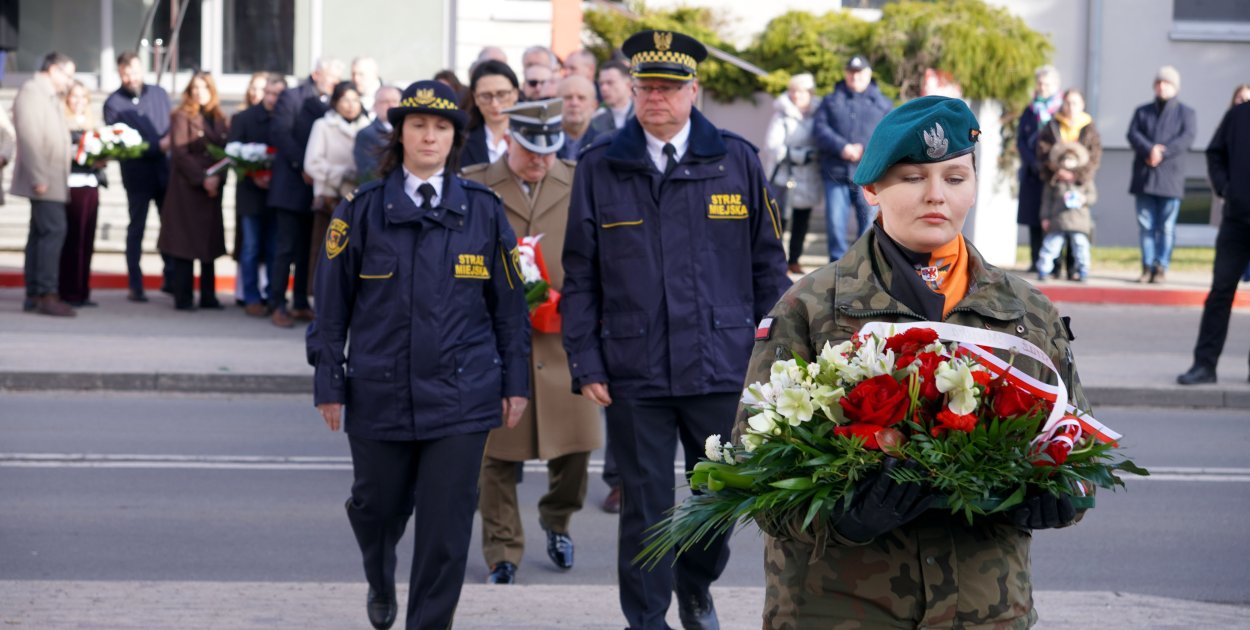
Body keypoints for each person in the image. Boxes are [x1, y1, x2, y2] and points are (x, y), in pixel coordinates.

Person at [738, 95, 1089, 629]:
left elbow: (1080, 447)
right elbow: (750, 467)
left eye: (954, 177)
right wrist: (839, 517)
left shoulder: (1026, 312)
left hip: (984, 613)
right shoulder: (809, 307)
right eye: (910, 177)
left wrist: (1063, 494)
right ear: (871, 188)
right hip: (841, 610)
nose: (935, 196)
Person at [561, 29, 790, 630]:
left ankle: (694, 584)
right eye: (645, 87)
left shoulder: (735, 158)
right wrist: (586, 361)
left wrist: (781, 356)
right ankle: (646, 620)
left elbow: (768, 264)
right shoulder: (600, 165)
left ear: (694, 90)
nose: (655, 98)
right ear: (632, 91)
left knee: (718, 499)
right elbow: (581, 274)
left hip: (722, 363)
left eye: (668, 87)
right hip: (634, 367)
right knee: (643, 508)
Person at [306, 79, 529, 630]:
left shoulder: (483, 210)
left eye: (442, 126)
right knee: (375, 508)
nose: (430, 136)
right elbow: (331, 308)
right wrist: (329, 381)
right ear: (400, 133)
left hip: (462, 395)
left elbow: (509, 307)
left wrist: (515, 380)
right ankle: (380, 574)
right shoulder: (359, 211)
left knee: (446, 530)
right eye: (419, 125)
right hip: (380, 391)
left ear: (455, 137)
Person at [463, 98, 602, 586]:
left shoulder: (580, 179)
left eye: (549, 151)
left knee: (578, 450)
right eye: (529, 151)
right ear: (510, 142)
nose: (540, 160)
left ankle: (557, 517)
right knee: (494, 455)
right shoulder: (476, 183)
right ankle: (503, 551)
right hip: (495, 341)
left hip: (566, 339)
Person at [1176, 96, 1250, 385]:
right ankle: (1204, 366)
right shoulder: (1239, 115)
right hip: (1236, 220)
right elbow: (1214, 153)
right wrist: (1226, 188)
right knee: (1220, 293)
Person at [268, 57, 343, 328]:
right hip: (291, 183)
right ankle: (277, 303)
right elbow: (281, 133)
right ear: (316, 74)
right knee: (285, 248)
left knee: (306, 250)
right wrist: (304, 164)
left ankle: (300, 302)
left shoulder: (333, 103)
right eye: (331, 76)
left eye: (338, 78)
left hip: (317, 188)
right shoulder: (293, 97)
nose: (335, 82)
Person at [157, 71, 229, 311]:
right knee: (184, 245)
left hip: (211, 190)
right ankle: (183, 296)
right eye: (195, 88)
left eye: (204, 88)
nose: (199, 92)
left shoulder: (219, 118)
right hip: (188, 189)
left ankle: (209, 295)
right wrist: (203, 178)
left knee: (208, 244)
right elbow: (180, 153)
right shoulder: (181, 116)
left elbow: (225, 152)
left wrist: (217, 178)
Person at [104, 50, 172, 303]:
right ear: (120, 73)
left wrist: (166, 146)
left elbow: (170, 127)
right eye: (125, 73)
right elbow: (121, 144)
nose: (130, 77)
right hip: (137, 177)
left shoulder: (159, 94)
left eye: (134, 71)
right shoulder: (113, 104)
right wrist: (157, 146)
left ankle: (172, 277)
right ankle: (136, 285)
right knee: (137, 230)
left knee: (170, 227)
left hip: (165, 174)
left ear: (142, 70)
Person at [13, 51, 76, 317]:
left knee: (41, 234)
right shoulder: (32, 92)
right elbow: (28, 137)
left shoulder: (47, 95)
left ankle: (35, 293)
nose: (69, 82)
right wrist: (39, 176)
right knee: (53, 232)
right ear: (53, 70)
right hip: (45, 179)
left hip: (52, 178)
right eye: (68, 75)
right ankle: (47, 293)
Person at [812, 55, 893, 261]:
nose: (854, 76)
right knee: (835, 225)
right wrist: (842, 147)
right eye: (851, 72)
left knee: (869, 227)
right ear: (846, 74)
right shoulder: (830, 101)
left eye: (859, 72)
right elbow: (819, 130)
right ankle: (836, 269)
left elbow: (889, 135)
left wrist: (864, 149)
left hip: (869, 176)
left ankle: (863, 268)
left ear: (868, 74)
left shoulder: (883, 104)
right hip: (835, 173)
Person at [1127, 65, 1196, 285]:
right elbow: (1133, 134)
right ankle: (1147, 266)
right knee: (1146, 225)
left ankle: (1161, 266)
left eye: (1166, 83)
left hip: (1170, 178)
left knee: (1166, 227)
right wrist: (1149, 149)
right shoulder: (1142, 111)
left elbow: (1186, 138)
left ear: (1175, 86)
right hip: (1145, 177)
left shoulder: (1186, 113)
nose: (1161, 86)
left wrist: (1162, 152)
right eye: (1158, 82)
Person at [230, 74, 285, 317]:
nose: (273, 99)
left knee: (274, 248)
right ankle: (251, 296)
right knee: (251, 247)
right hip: (251, 195)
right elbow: (233, 152)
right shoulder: (244, 118)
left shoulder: (287, 119)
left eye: (278, 94)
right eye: (269, 93)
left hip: (278, 195)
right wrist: (254, 174)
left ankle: (273, 296)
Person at [304, 80, 371, 282]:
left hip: (360, 200)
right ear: (335, 102)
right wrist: (340, 174)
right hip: (330, 199)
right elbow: (312, 163)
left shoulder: (368, 128)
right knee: (327, 253)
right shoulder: (323, 125)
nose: (350, 105)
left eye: (355, 100)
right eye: (345, 100)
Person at [1035, 88, 1102, 283]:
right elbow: (1044, 151)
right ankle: (1050, 269)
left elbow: (1094, 156)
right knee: (1054, 238)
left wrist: (1075, 175)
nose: (1071, 107)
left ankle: (1077, 270)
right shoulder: (1053, 126)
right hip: (1057, 182)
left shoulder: (1089, 128)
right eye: (1068, 103)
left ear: (1082, 105)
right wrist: (1057, 170)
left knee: (1078, 239)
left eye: (1075, 103)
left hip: (1079, 182)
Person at [765, 73, 822, 274]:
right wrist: (801, 155)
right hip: (785, 176)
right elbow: (772, 146)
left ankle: (794, 260)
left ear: (810, 93)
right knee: (780, 222)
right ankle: (776, 261)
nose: (796, 95)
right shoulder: (781, 115)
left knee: (802, 221)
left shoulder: (819, 113)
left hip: (809, 177)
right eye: (793, 91)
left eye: (801, 91)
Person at [58, 80, 107, 308]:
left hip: (91, 185)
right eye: (74, 96)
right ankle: (69, 291)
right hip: (71, 185)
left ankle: (83, 290)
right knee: (72, 240)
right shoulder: (61, 122)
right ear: (67, 98)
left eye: (83, 97)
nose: (78, 101)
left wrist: (102, 159)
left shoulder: (92, 124)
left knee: (87, 240)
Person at [1016, 65, 1063, 274]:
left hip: (1053, 172)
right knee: (1034, 217)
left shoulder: (1060, 110)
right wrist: (1032, 161)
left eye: (1047, 84)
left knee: (1055, 218)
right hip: (1032, 172)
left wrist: (1049, 164)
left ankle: (1056, 264)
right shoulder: (1030, 110)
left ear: (1055, 86)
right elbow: (1022, 140)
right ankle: (1036, 259)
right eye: (1040, 83)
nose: (1042, 87)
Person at [461, 60, 519, 168]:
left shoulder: (531, 136)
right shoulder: (462, 140)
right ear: (475, 98)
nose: (494, 104)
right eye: (485, 96)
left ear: (515, 94)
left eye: (502, 94)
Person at [353, 85, 401, 185]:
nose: (391, 105)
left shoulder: (407, 131)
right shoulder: (365, 134)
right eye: (385, 102)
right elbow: (368, 171)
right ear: (375, 106)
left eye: (395, 101)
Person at [555, 75, 599, 160]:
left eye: (581, 98)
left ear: (594, 105)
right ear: (557, 104)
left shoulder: (603, 146)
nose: (574, 103)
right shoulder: (544, 144)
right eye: (568, 97)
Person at [589, 60, 633, 135]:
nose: (604, 88)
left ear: (628, 85)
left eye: (610, 82)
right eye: (601, 84)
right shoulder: (596, 122)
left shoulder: (642, 116)